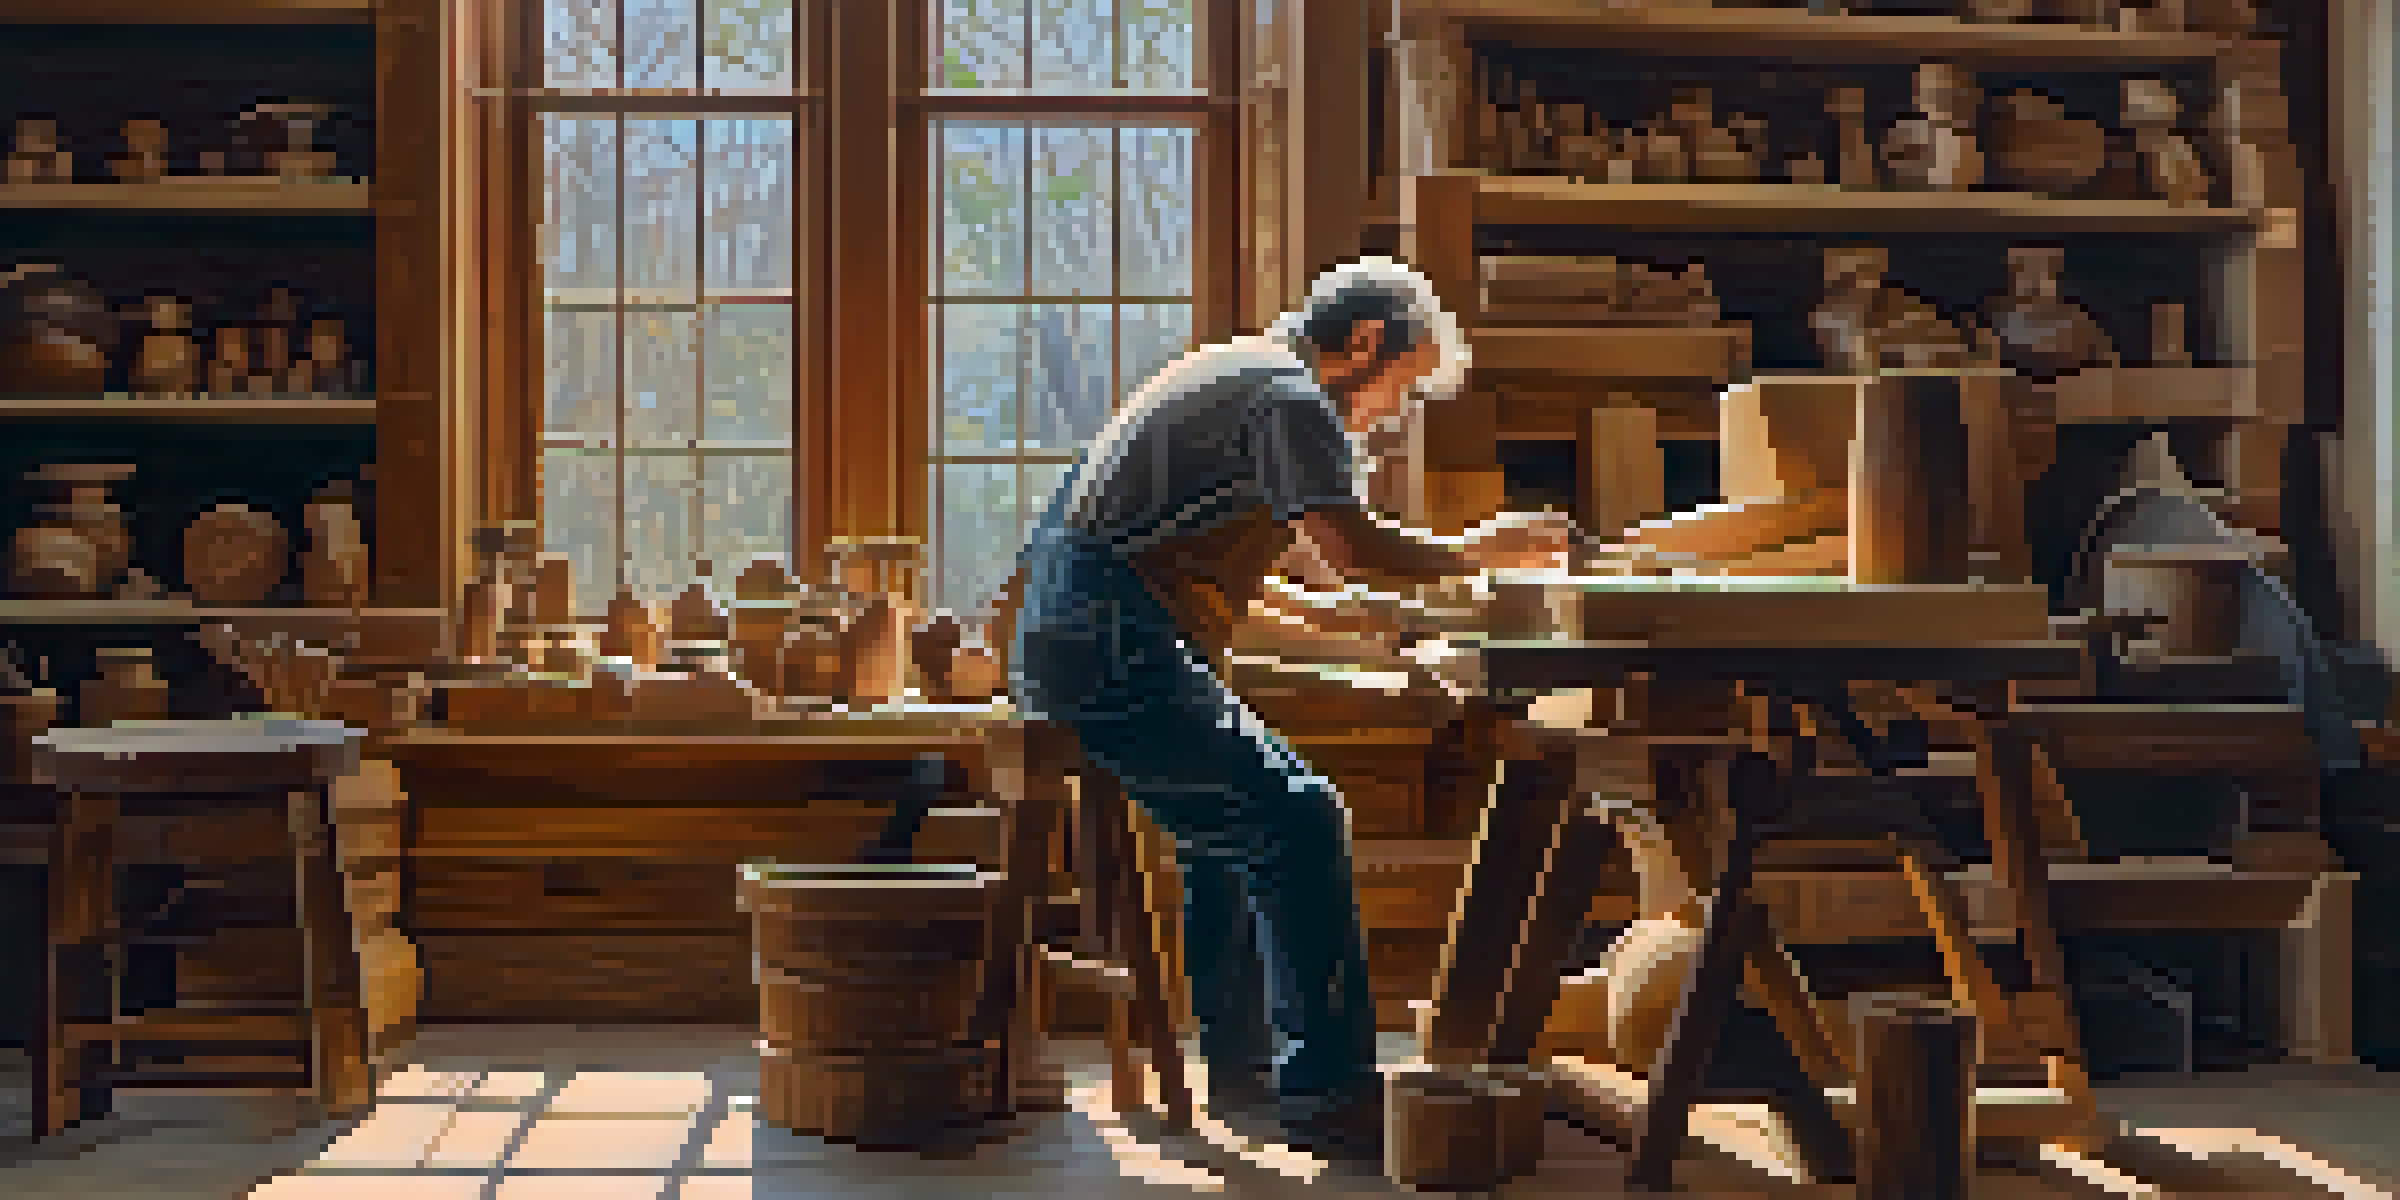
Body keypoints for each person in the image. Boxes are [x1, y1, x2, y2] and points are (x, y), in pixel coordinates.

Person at [994, 258, 1569, 1158]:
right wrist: (1476, 552)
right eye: (1402, 389)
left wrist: (1375, 614)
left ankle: (1244, 1070)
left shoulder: (1232, 369)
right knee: (1300, 816)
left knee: (1229, 830)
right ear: (1367, 343)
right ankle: (1330, 1094)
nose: (1392, 414)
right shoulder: (1295, 397)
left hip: (1073, 628)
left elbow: (1216, 568)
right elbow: (1347, 542)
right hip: (1107, 636)